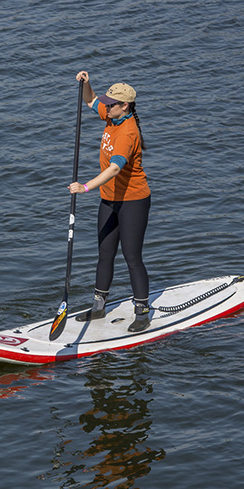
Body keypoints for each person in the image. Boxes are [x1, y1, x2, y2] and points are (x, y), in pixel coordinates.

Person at [67, 71, 152, 332]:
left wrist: (85, 187)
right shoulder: (112, 116)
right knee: (104, 253)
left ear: (124, 106)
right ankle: (98, 306)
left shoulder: (127, 133)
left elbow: (114, 170)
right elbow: (90, 99)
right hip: (109, 199)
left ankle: (142, 311)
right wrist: (86, 83)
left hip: (133, 201)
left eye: (111, 103)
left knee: (132, 256)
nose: (106, 105)